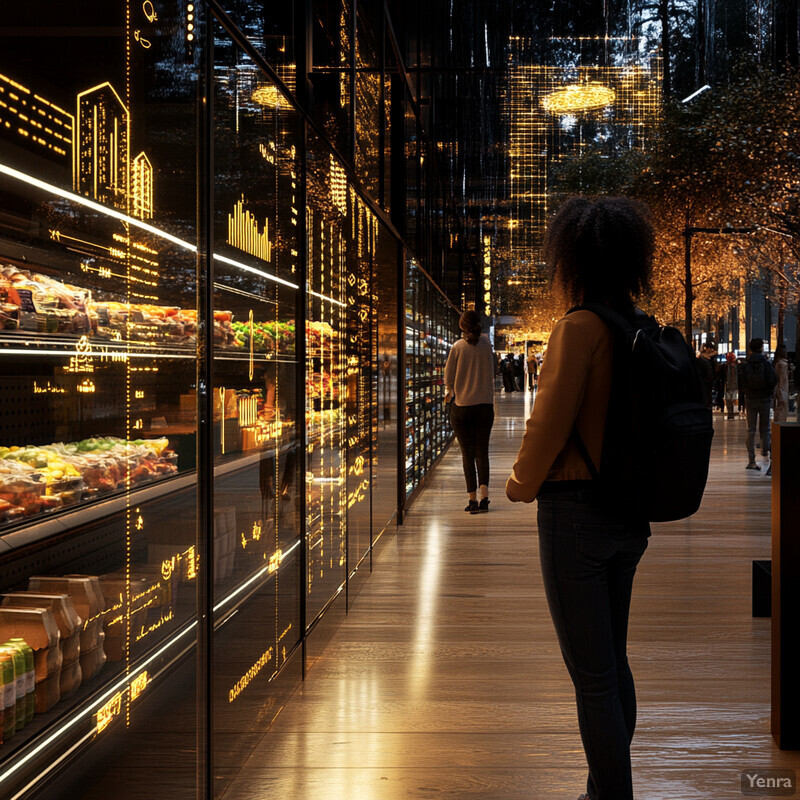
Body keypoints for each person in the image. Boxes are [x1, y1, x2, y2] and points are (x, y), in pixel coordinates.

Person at [506, 196, 653, 800]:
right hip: (629, 512)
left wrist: (518, 483)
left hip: (575, 514)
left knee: (591, 676)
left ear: (573, 259)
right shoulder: (636, 327)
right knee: (612, 664)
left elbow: (549, 422)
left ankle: (611, 796)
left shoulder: (578, 328)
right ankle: (603, 787)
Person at [444, 310, 495, 513]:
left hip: (462, 406)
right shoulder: (486, 345)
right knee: (482, 452)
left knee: (467, 454)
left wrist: (452, 392)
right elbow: (492, 371)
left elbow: (448, 378)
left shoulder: (458, 347)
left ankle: (472, 500)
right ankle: (485, 497)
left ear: (462, 327)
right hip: (485, 405)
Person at [740, 337, 777, 471]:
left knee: (750, 430)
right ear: (761, 348)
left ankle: (751, 460)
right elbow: (773, 379)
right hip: (764, 399)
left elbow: (742, 381)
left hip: (750, 398)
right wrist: (768, 392)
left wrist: (746, 391)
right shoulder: (767, 363)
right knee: (765, 428)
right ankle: (766, 454)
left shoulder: (746, 364)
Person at [696, 341, 718, 409]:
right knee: (708, 392)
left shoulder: (702, 356)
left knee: (707, 392)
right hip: (707, 378)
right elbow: (715, 352)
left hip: (706, 378)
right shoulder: (706, 356)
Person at [773, 344, 790, 423]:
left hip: (779, 390)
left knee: (779, 409)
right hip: (782, 390)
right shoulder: (783, 365)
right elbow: (783, 380)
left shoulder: (777, 363)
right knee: (783, 410)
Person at [722, 351, 739, 419]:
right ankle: (731, 413)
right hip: (733, 385)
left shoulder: (726, 366)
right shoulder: (736, 366)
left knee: (729, 399)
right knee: (731, 399)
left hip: (729, 385)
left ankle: (731, 413)